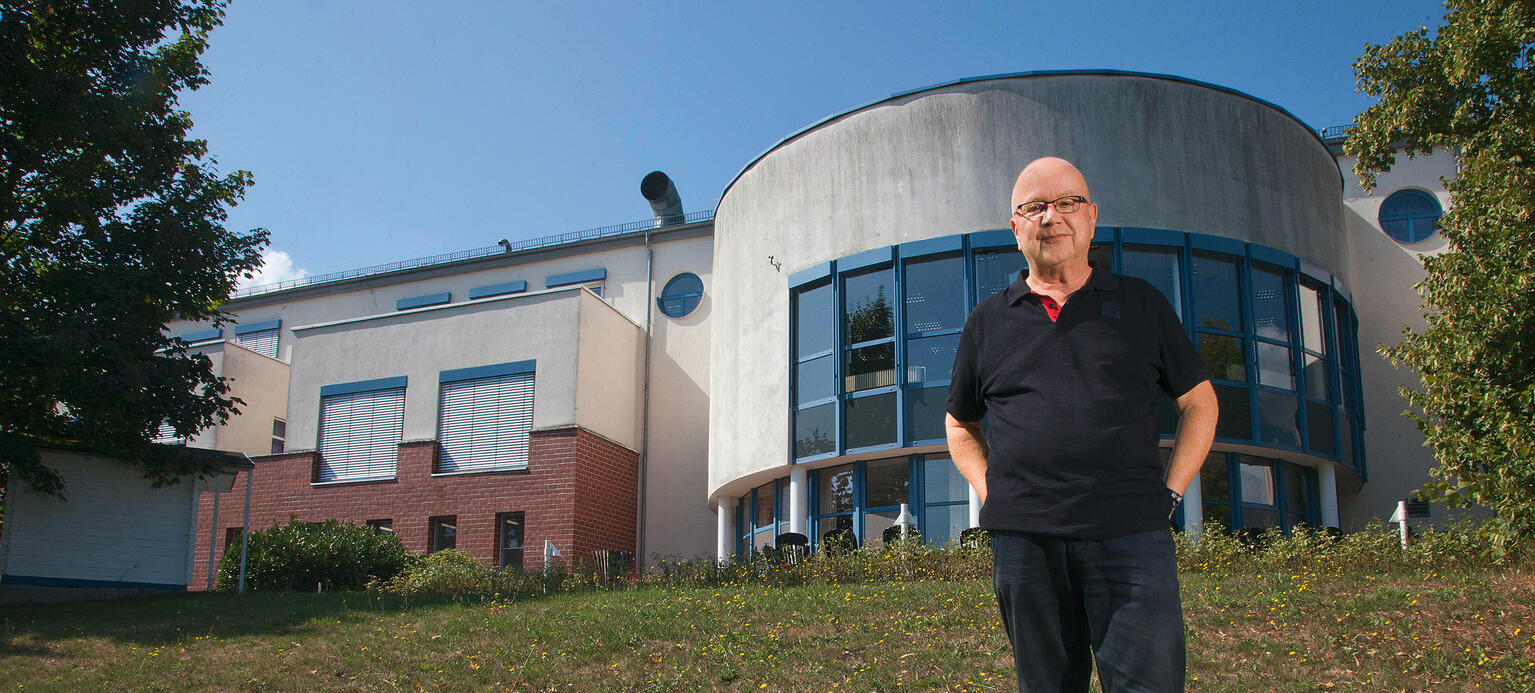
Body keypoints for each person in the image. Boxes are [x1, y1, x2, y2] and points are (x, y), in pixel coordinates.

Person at [945, 157, 1219, 692]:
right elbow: (960, 425)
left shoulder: (1142, 304)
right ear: (1015, 227)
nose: (1052, 217)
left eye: (1067, 203)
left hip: (1132, 536)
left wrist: (1172, 494)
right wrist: (991, 492)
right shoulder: (988, 322)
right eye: (1035, 207)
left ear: (1091, 216)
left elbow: (1201, 404)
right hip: (1026, 544)